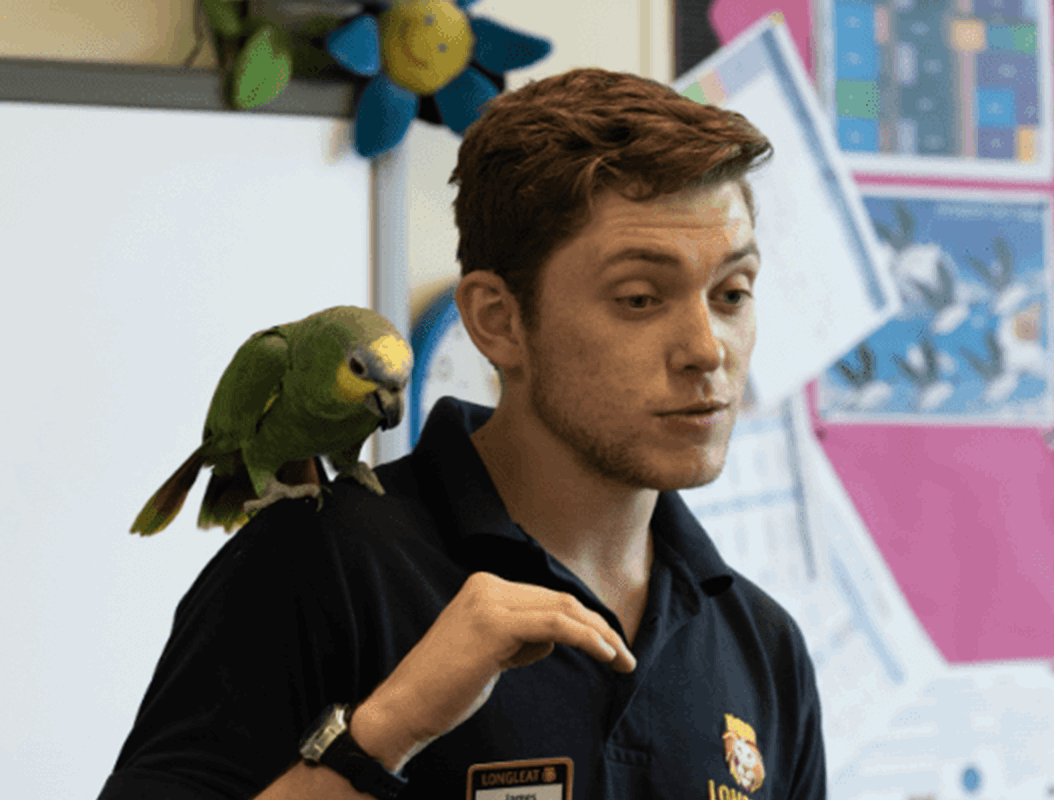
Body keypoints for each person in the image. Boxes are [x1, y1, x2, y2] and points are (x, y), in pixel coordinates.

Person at [98, 67, 826, 800]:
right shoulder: (313, 565)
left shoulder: (765, 648)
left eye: (732, 293)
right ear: (498, 322)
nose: (707, 348)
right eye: (639, 298)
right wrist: (388, 731)